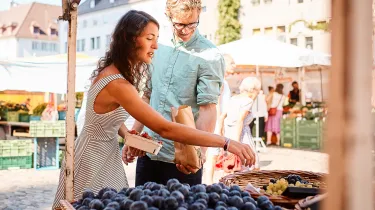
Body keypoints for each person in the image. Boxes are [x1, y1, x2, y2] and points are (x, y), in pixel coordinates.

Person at [52, 10, 255, 209]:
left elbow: (106, 117)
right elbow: (166, 128)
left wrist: (130, 136)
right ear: (129, 39)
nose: (156, 46)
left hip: (102, 156)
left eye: (156, 38)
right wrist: (226, 142)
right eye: (150, 38)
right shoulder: (118, 83)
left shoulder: (114, 73)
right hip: (93, 162)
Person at [131, 0, 226, 186]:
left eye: (192, 23)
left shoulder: (210, 55)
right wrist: (134, 135)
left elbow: (208, 109)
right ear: (168, 16)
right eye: (180, 24)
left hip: (182, 160)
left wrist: (199, 155)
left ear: (199, 14)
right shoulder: (158, 46)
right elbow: (147, 96)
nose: (186, 30)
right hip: (148, 152)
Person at [217, 77, 262, 171]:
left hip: (228, 133)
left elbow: (222, 117)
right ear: (253, 90)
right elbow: (239, 120)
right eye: (257, 91)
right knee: (251, 164)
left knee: (232, 166)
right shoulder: (248, 101)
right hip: (241, 134)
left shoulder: (233, 98)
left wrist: (220, 133)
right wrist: (237, 142)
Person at [204, 54, 234, 184]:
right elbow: (216, 104)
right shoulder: (220, 81)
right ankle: (208, 182)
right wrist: (219, 125)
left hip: (218, 121)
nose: (235, 66)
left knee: (213, 155)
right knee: (212, 154)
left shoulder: (222, 81)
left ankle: (208, 181)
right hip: (216, 122)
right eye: (232, 63)